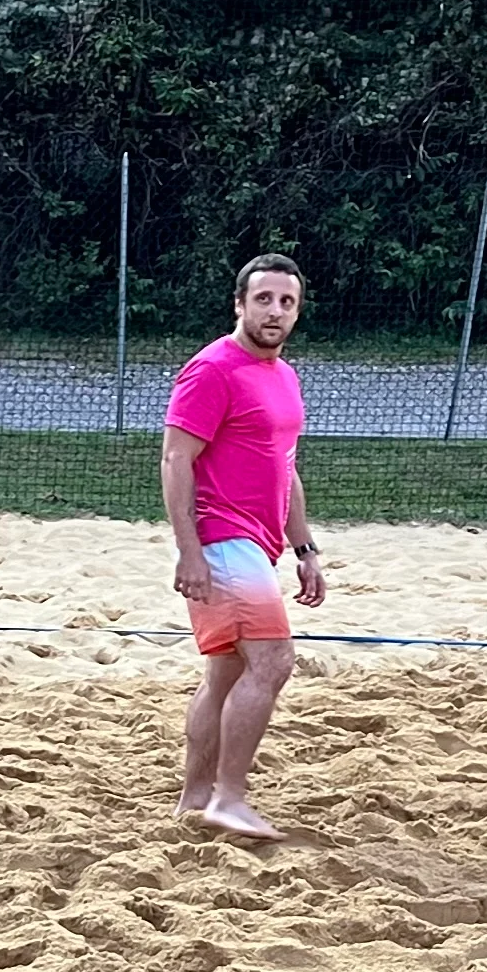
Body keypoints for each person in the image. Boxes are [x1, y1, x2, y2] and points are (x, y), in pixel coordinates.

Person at [163, 252, 325, 837]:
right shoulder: (213, 369)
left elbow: (285, 467)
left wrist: (304, 549)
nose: (275, 311)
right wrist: (190, 550)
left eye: (286, 301)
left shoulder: (284, 377)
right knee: (275, 661)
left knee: (226, 674)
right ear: (239, 304)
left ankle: (195, 798)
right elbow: (176, 458)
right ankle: (229, 797)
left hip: (259, 544)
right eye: (264, 299)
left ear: (297, 311)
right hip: (222, 540)